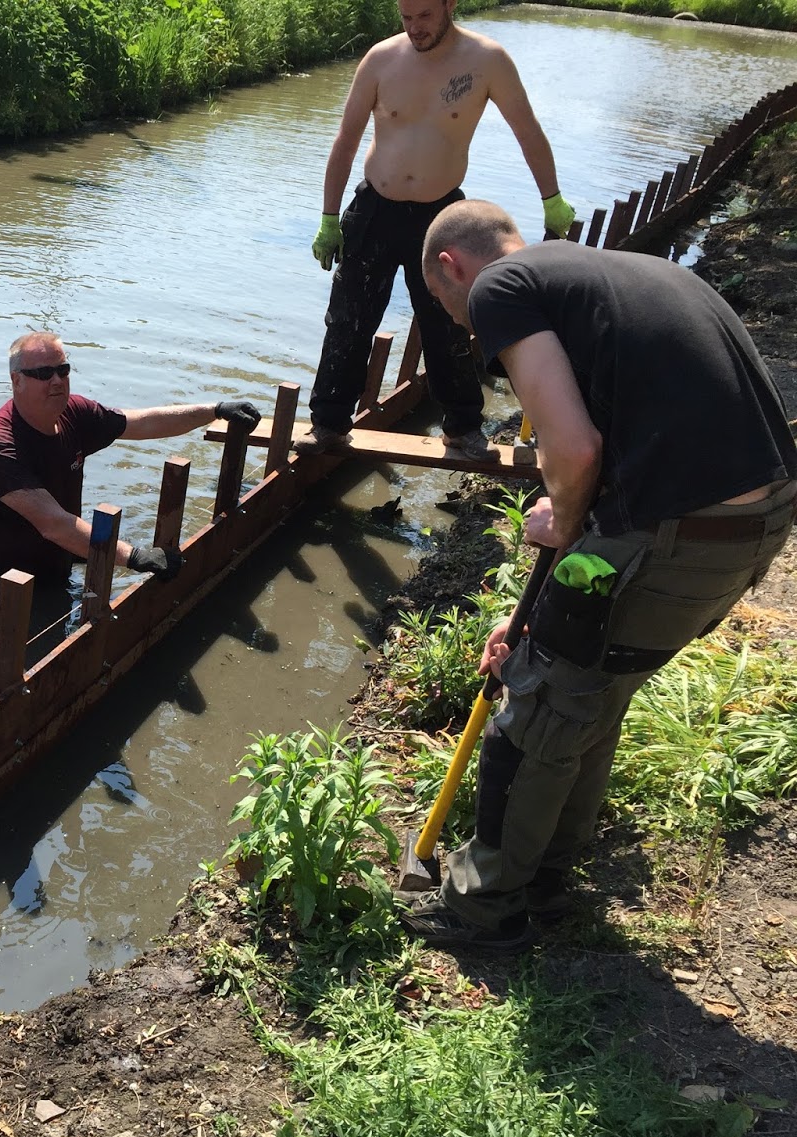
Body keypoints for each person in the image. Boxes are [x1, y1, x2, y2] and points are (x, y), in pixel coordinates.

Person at [398, 199, 796, 952]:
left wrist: (565, 518)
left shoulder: (500, 288)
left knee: (538, 698)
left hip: (688, 527)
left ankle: (486, 906)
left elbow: (573, 454)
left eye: (452, 314)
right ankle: (546, 876)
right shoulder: (621, 272)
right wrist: (535, 610)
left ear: (451, 268)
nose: (466, 328)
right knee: (589, 680)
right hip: (759, 519)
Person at [298, 0, 575, 461]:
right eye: (406, 17)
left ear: (449, 5)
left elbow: (527, 131)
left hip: (442, 216)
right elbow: (345, 139)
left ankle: (464, 429)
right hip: (374, 209)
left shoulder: (488, 61)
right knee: (348, 319)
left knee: (448, 323)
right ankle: (327, 425)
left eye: (424, 16)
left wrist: (552, 199)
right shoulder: (382, 59)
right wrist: (329, 217)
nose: (414, 28)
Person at [0, 330, 262, 587]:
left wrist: (215, 410)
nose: (56, 381)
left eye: (62, 370)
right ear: (17, 381)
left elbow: (143, 423)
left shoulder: (74, 413)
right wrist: (135, 556)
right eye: (42, 373)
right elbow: (55, 525)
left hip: (57, 565)